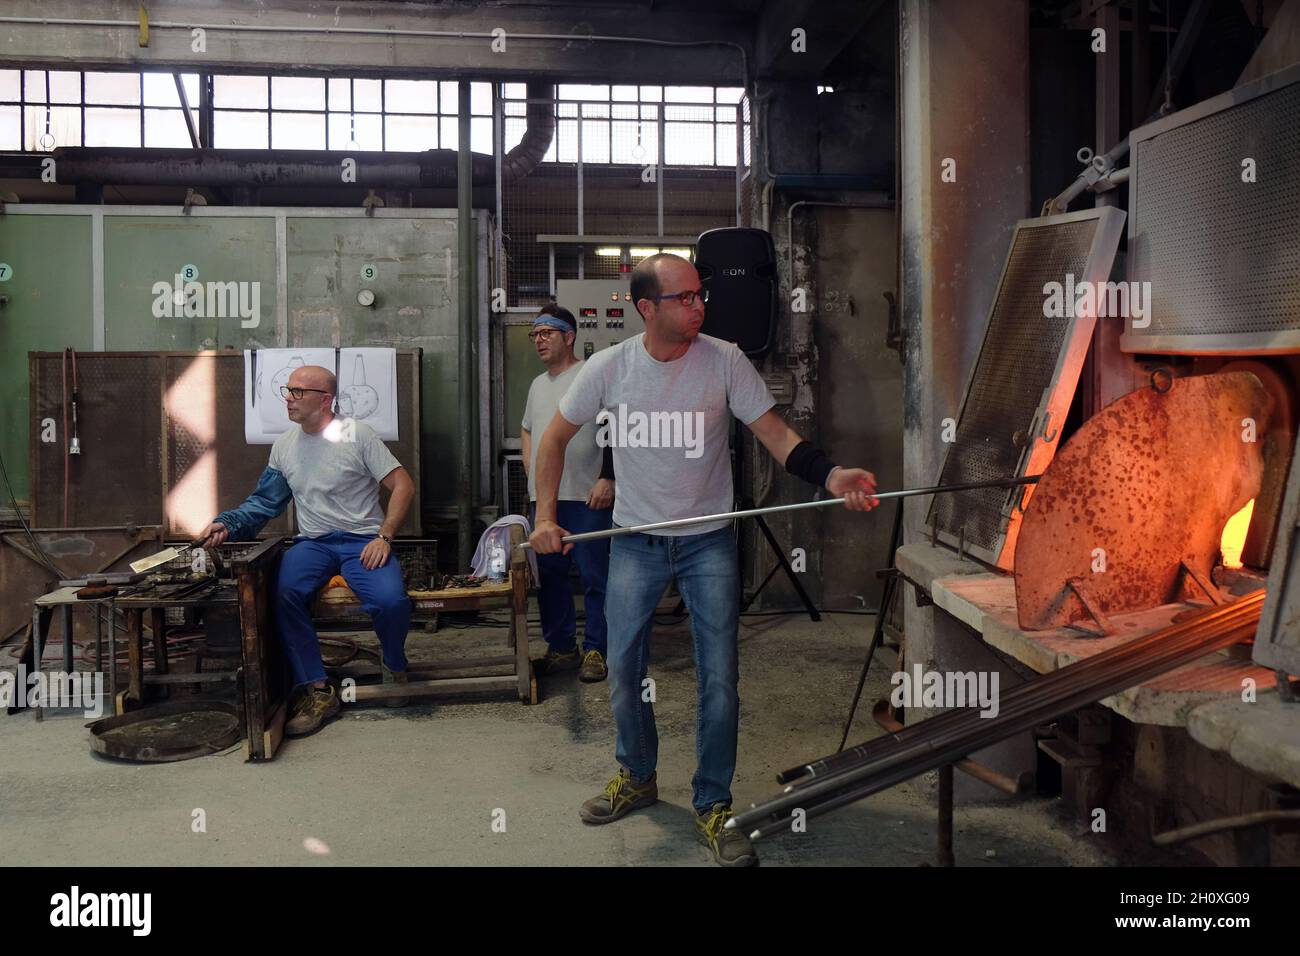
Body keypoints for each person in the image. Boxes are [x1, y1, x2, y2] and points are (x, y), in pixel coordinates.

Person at [529, 253, 878, 867]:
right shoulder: (610, 369)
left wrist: (830, 475)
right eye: (686, 298)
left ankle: (712, 802)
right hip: (635, 539)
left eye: (700, 295)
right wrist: (545, 518)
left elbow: (775, 434)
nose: (700, 306)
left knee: (720, 678)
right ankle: (637, 775)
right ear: (646, 308)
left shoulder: (724, 360)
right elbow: (554, 440)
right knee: (621, 667)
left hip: (710, 540)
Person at [200, 364, 417, 738]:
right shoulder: (285, 445)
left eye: (298, 392)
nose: (288, 398)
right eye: (288, 390)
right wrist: (228, 523)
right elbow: (265, 503)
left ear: (325, 400)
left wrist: (384, 537)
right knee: (283, 593)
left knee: (391, 601)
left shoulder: (358, 435)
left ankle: (394, 662)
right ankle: (317, 688)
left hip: (361, 539)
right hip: (313, 542)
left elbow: (403, 485)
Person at [520, 304, 615, 683]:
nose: (539, 340)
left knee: (596, 577)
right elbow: (528, 428)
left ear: (569, 336)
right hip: (546, 502)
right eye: (535, 334)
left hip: (587, 496)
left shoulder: (592, 376)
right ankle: (561, 647)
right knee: (551, 576)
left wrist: (608, 478)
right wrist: (533, 470)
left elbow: (616, 429)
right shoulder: (537, 385)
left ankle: (597, 649)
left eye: (547, 332)